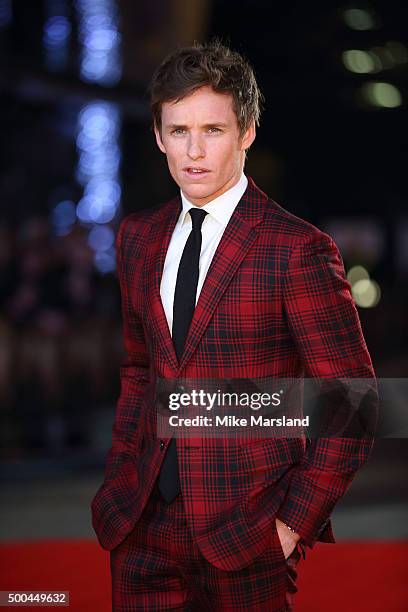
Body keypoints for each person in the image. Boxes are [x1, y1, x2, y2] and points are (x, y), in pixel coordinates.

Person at [91, 40, 377, 611]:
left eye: (213, 130)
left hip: (247, 534)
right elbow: (141, 367)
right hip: (142, 530)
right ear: (157, 135)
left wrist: (293, 524)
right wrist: (121, 477)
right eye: (178, 131)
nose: (193, 151)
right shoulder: (138, 239)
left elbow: (354, 401)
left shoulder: (297, 249)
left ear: (246, 132)